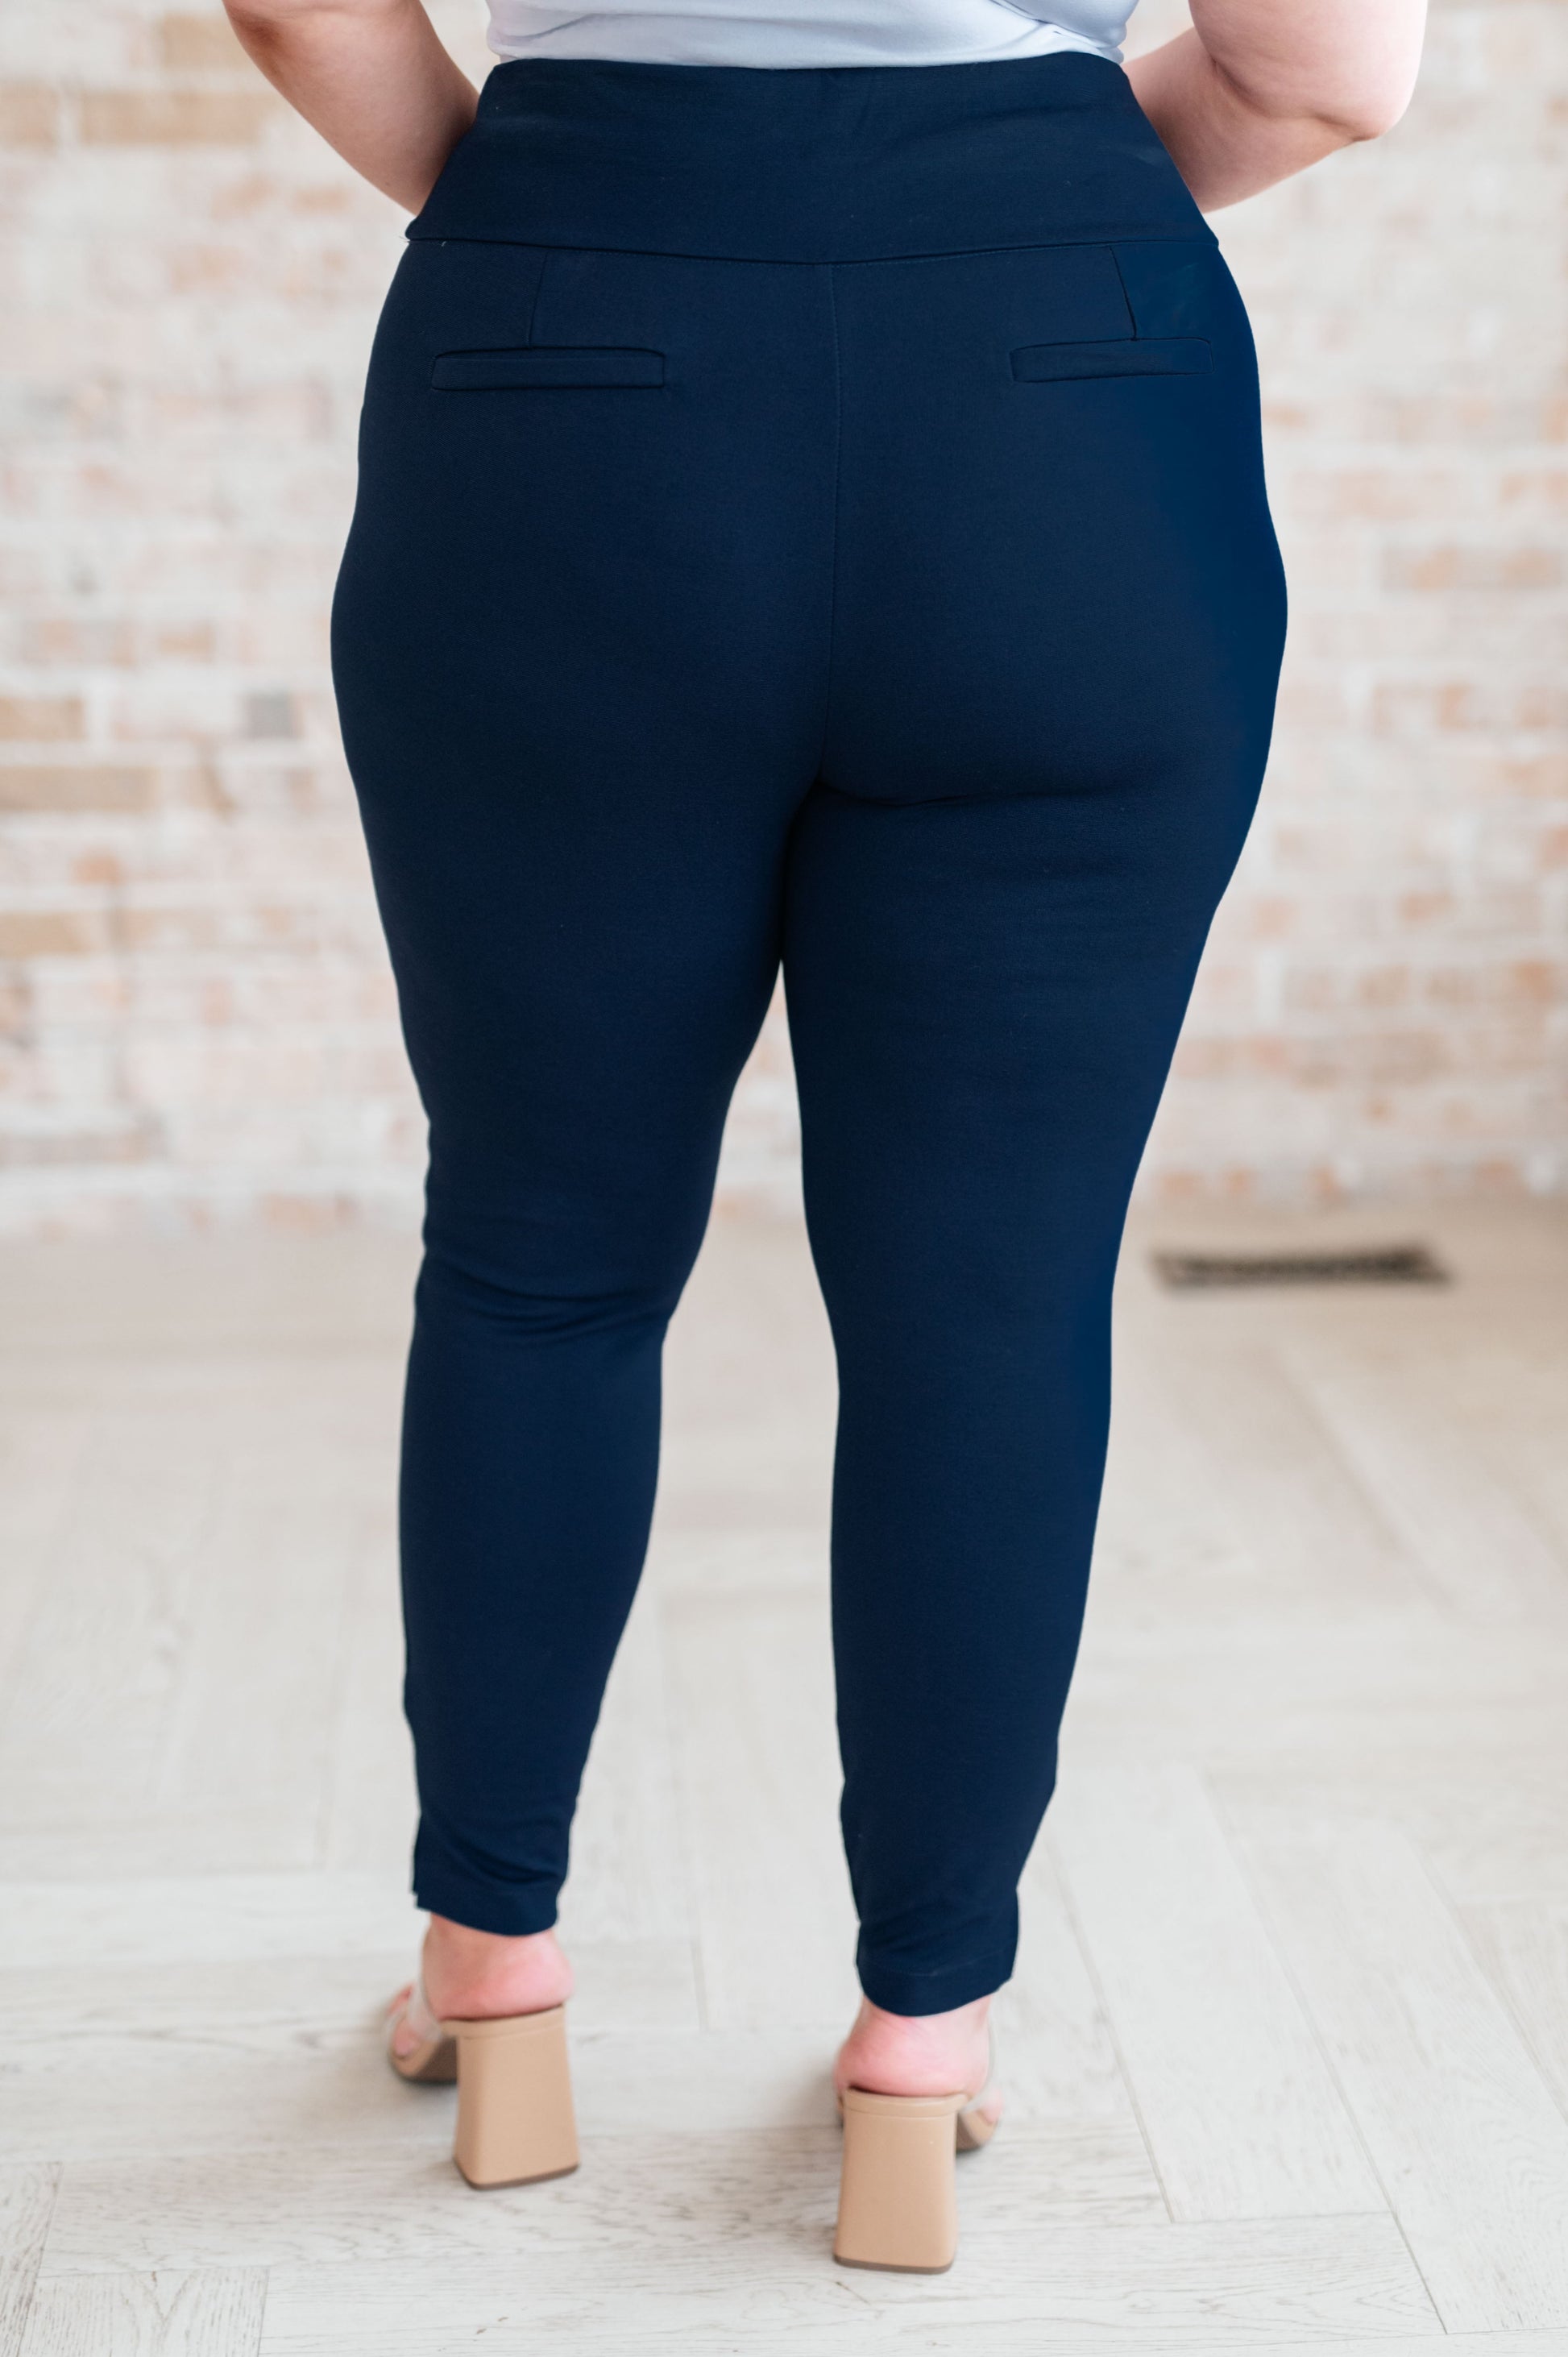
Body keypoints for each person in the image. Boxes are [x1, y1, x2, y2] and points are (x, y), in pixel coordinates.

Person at [224, 0, 1426, 2272]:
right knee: (990, 1296)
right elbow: (1324, 69)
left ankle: (495, 1977)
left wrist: (552, 205)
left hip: (567, 355)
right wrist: (1020, 198)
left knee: (541, 1255)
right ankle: (921, 2038)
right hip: (1066, 401)